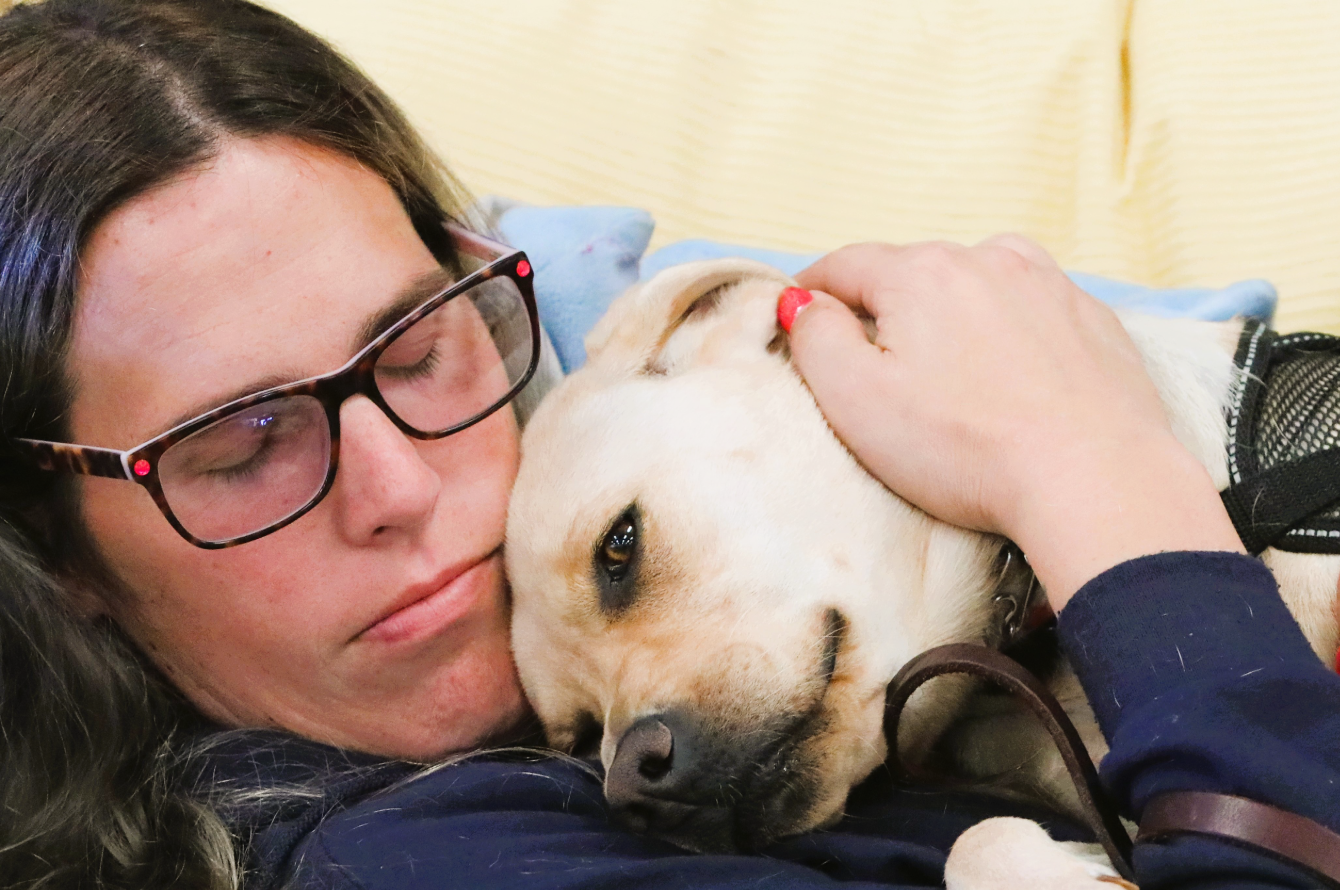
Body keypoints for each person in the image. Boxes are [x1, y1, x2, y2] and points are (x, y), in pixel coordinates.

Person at [0, 1, 1336, 889]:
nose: (408, 487)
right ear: (56, 547)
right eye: (246, 443)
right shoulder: (425, 857)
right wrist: (1093, 477)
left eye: (416, 347)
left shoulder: (621, 401)